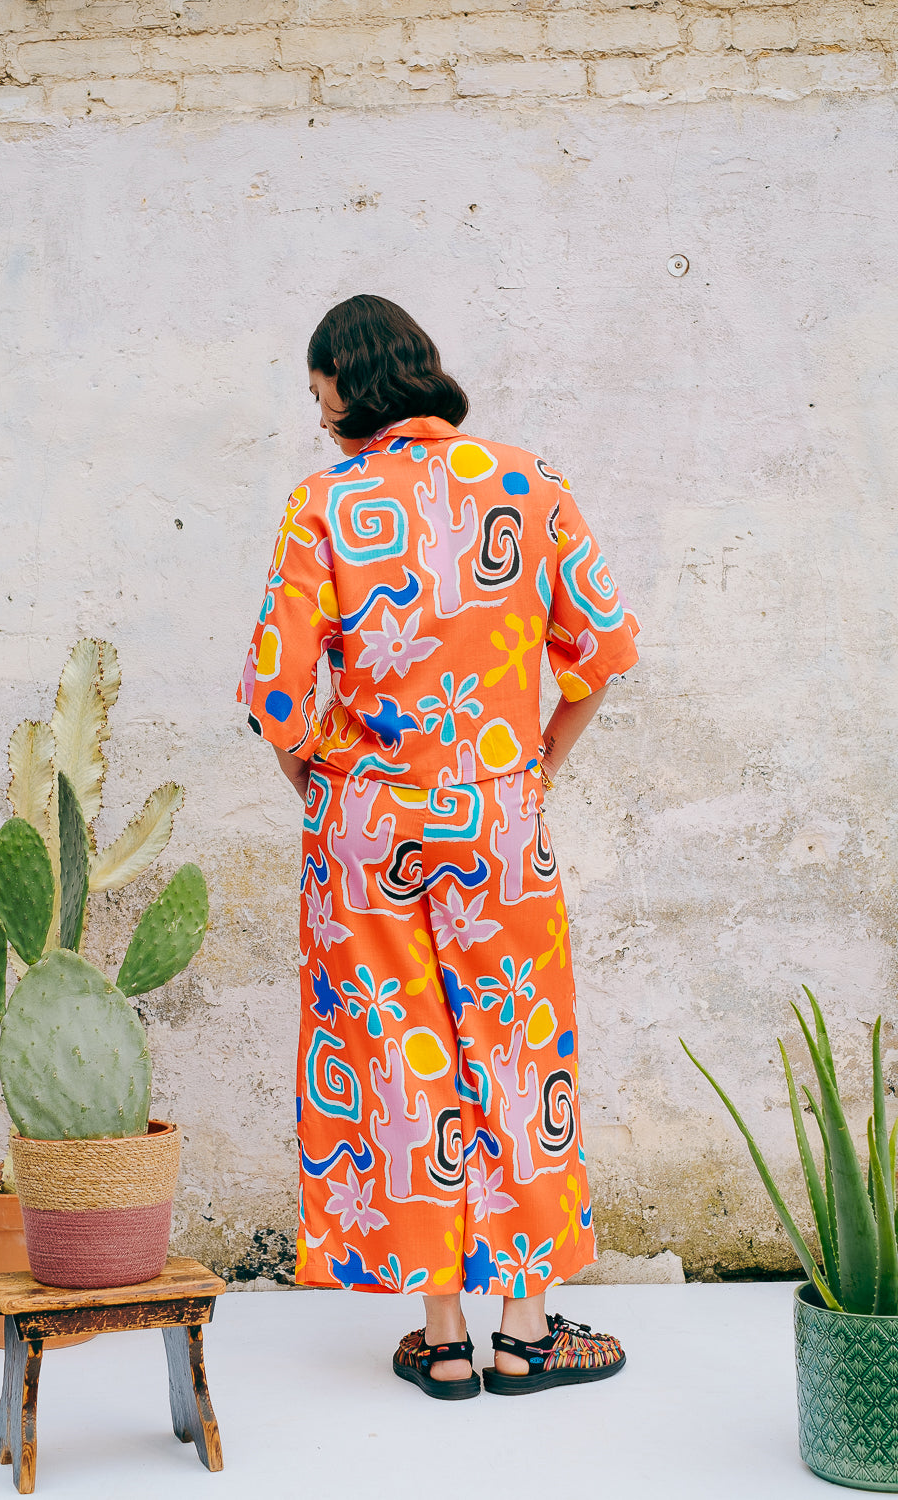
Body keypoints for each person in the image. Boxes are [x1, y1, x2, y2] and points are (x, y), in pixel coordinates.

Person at [238, 294, 640, 1400]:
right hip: (499, 814)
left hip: (367, 827)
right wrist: (536, 763)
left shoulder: (322, 504)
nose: (313, 407)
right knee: (519, 1046)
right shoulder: (529, 482)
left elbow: (276, 697)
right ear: (421, 369)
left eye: (314, 387)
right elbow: (601, 648)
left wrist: (329, 777)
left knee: (396, 1056)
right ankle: (526, 1331)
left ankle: (445, 1338)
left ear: (340, 384)